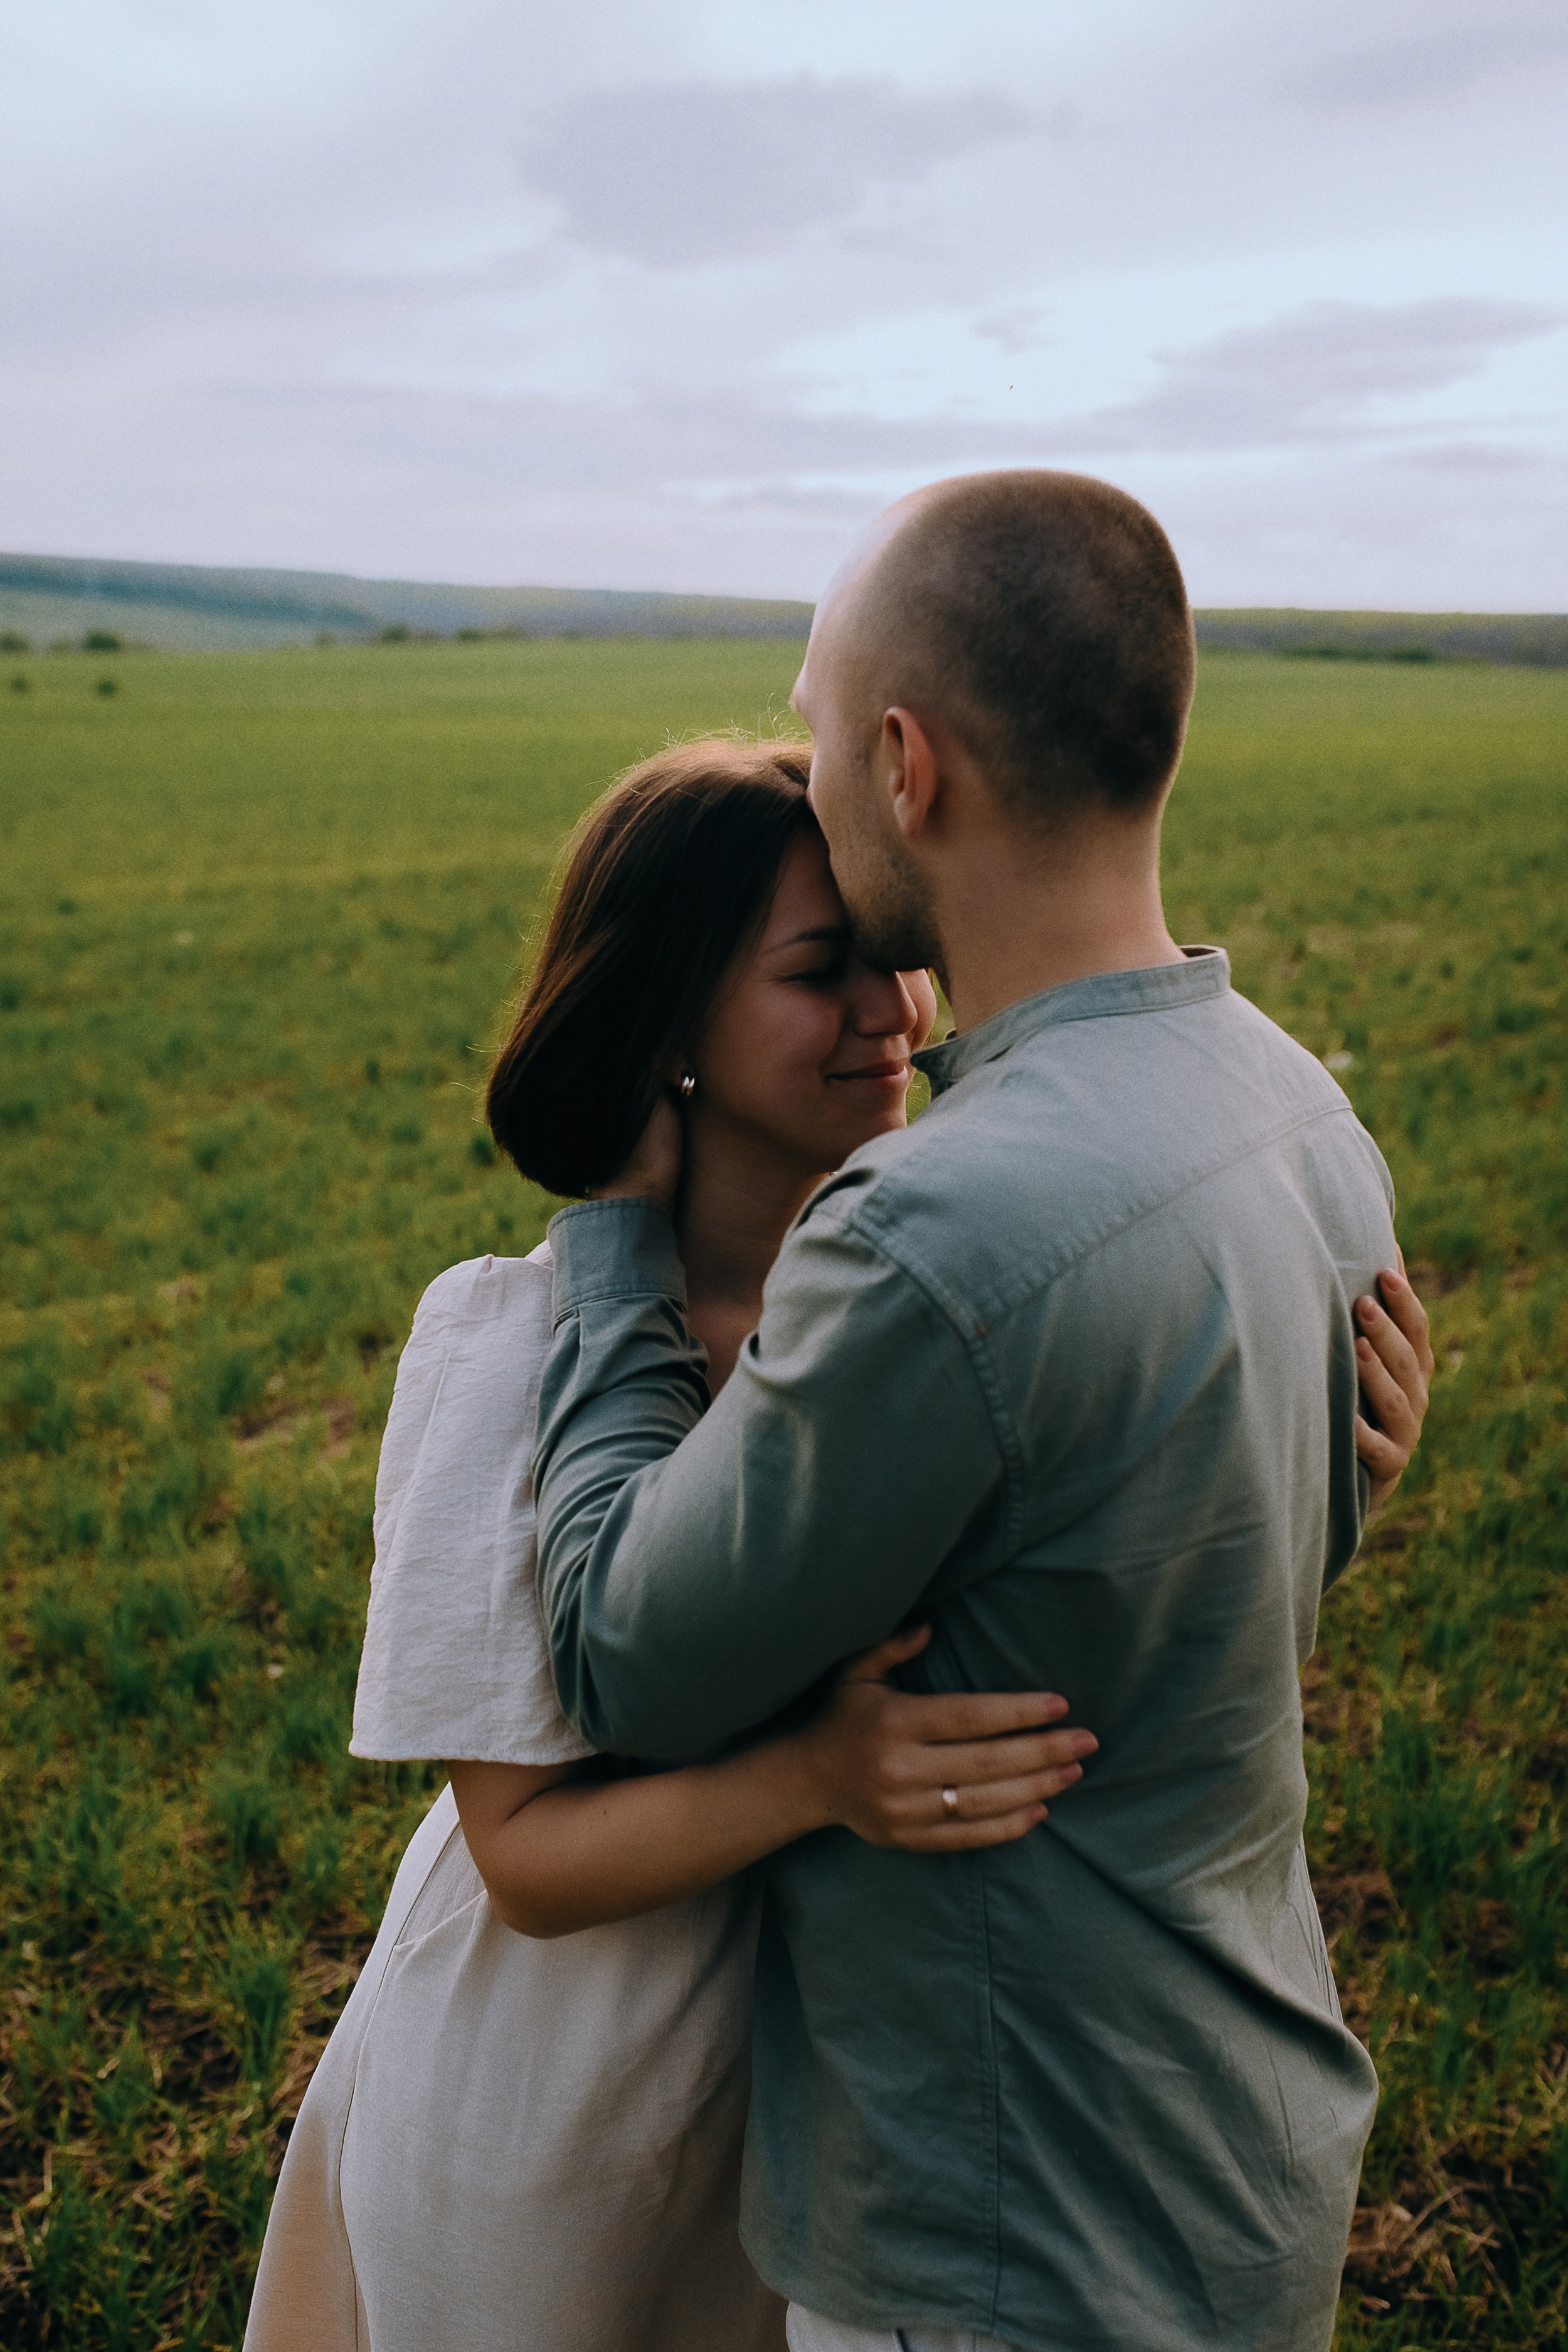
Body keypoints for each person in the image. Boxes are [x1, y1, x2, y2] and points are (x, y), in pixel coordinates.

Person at [531, 473, 1435, 2352]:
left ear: (900, 762)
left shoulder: (941, 1224)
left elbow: (624, 1652)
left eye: (810, 720)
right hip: (1243, 2146)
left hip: (1015, 2222)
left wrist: (616, 1245)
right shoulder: (1295, 1111)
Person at [242, 740, 1113, 2352]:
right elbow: (523, 1863)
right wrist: (815, 1779)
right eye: (816, 973)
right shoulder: (504, 1349)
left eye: (892, 962)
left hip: (816, 2092)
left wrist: (1344, 1442)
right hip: (562, 2097)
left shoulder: (917, 1326)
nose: (891, 1017)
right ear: (669, 1031)